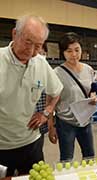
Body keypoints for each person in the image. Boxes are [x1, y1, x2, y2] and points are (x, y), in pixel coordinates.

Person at [0, 15, 63, 176]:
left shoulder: (41, 63)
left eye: (38, 46)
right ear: (15, 34)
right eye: (28, 42)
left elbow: (56, 91)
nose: (32, 51)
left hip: (31, 143)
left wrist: (46, 113)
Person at [48, 32, 97, 162]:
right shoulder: (56, 73)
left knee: (89, 156)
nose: (74, 54)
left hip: (85, 121)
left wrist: (93, 96)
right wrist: (51, 127)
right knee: (66, 159)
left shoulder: (88, 69)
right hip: (65, 123)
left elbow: (93, 88)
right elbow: (50, 101)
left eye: (77, 50)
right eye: (69, 51)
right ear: (63, 53)